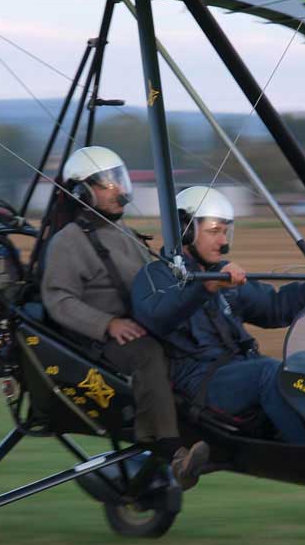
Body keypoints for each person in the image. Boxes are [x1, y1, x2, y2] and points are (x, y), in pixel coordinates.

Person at [40, 146, 208, 488]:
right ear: (83, 192)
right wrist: (107, 324)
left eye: (119, 180)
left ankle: (212, 426)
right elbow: (58, 299)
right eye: (107, 184)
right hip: (98, 339)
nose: (119, 190)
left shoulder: (124, 233)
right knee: (148, 354)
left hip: (140, 323)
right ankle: (170, 450)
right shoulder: (68, 242)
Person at [131, 186, 305, 443]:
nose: (223, 242)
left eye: (225, 232)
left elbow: (274, 307)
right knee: (269, 372)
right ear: (185, 230)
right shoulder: (155, 276)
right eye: (214, 231)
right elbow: (157, 318)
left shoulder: (222, 275)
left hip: (238, 369)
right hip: (201, 382)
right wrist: (203, 288)